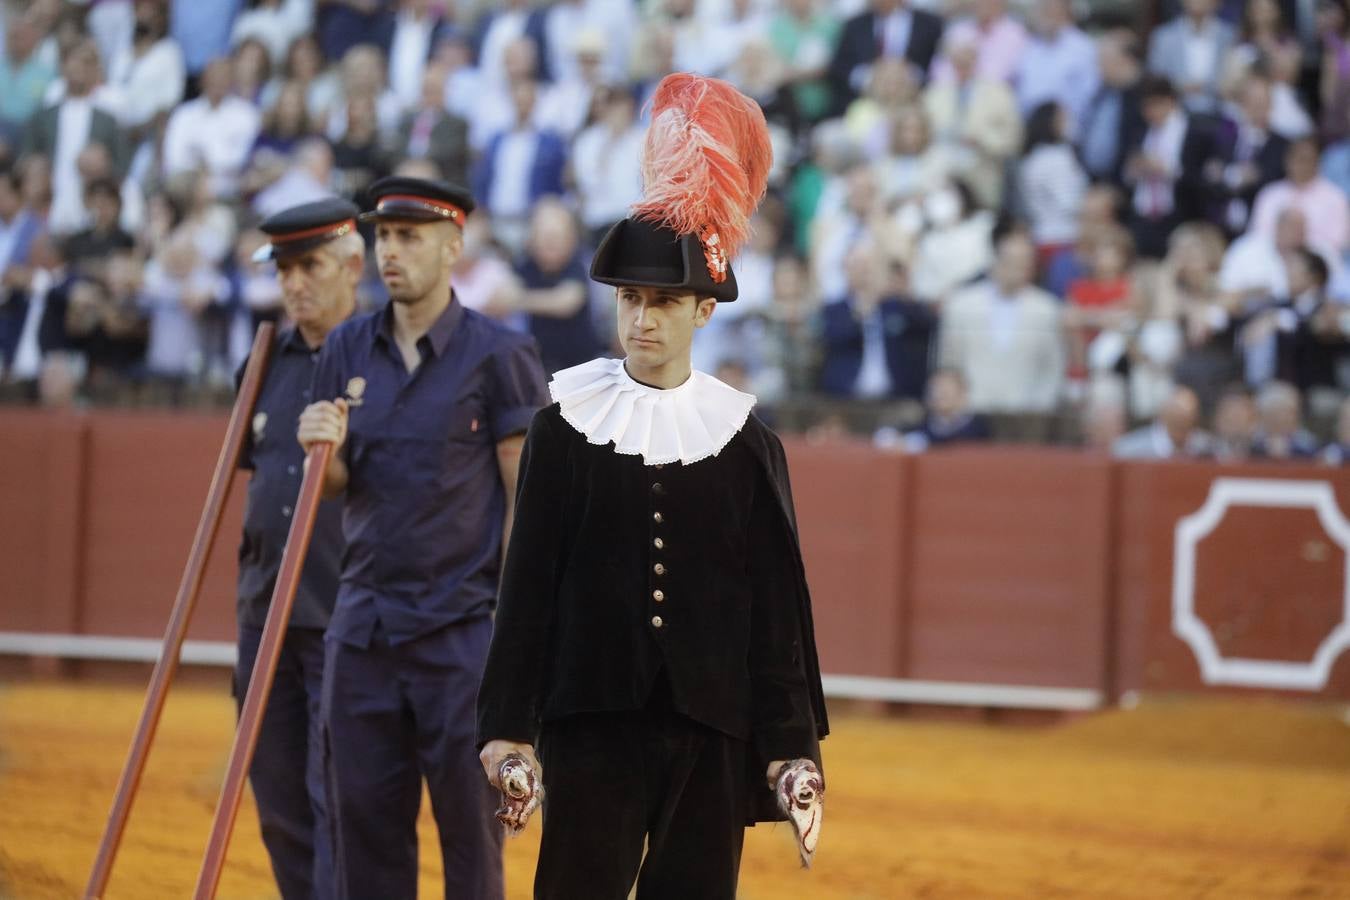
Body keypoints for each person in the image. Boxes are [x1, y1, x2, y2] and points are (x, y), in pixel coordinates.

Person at [476, 73, 829, 899]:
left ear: (703, 312)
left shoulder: (747, 444)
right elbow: (527, 584)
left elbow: (773, 606)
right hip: (590, 722)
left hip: (712, 728)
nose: (642, 319)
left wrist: (789, 745)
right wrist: (506, 728)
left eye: (664, 301)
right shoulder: (564, 428)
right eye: (631, 299)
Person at [295, 176, 548, 899]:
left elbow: (523, 500)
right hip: (364, 629)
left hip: (461, 637)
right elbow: (338, 476)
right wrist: (321, 444)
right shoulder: (346, 346)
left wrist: (514, 635)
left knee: (472, 840)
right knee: (364, 834)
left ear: (454, 247)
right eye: (382, 237)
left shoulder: (500, 354)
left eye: (409, 237)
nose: (391, 252)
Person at [234, 198, 362, 900]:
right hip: (263, 613)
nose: (293, 284)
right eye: (283, 270)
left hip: (344, 616)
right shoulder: (263, 361)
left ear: (352, 266)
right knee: (279, 800)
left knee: (336, 799)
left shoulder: (381, 360)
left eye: (308, 266)